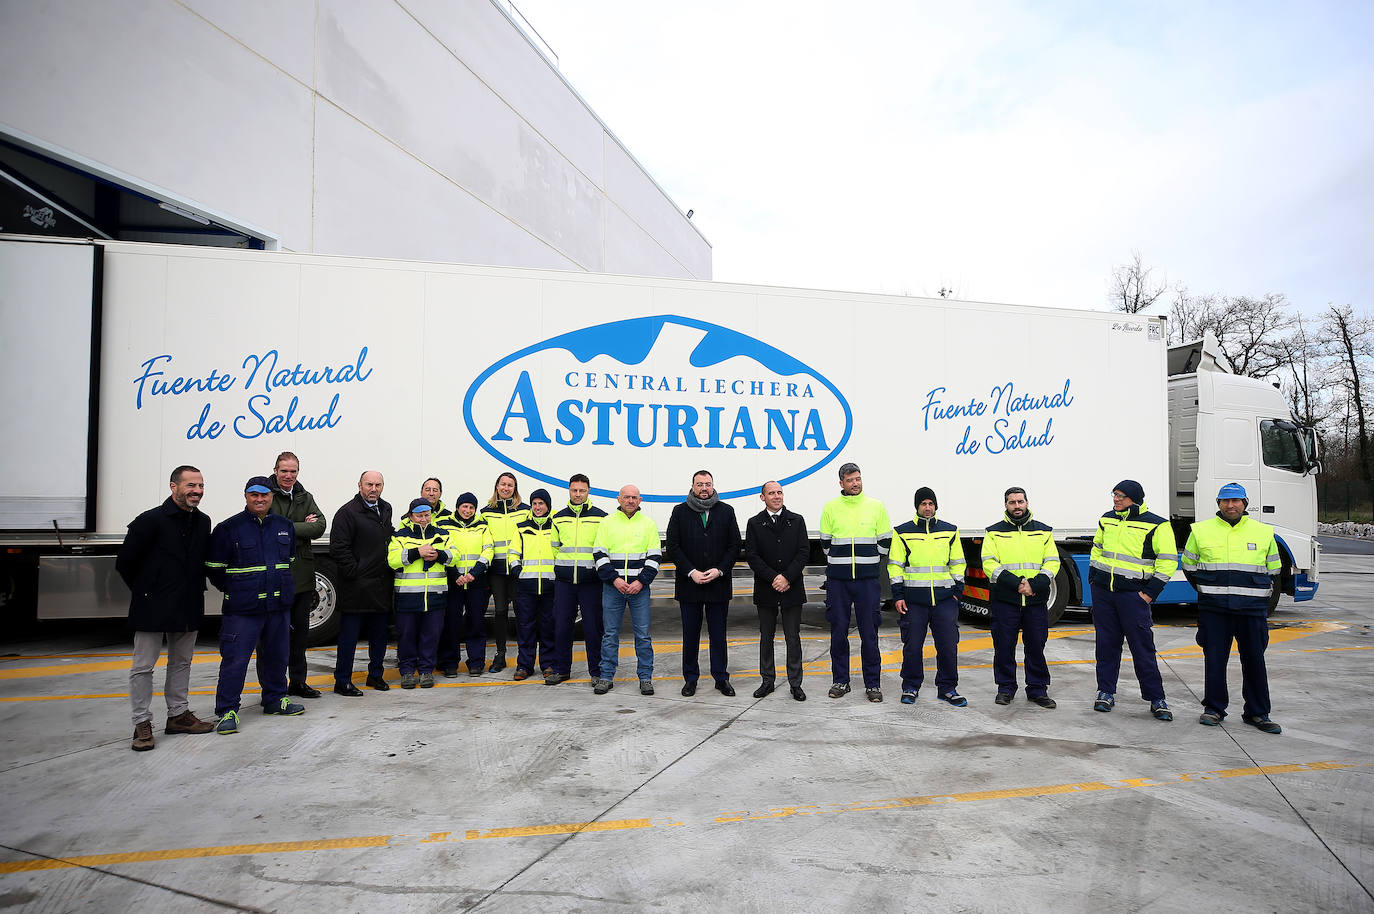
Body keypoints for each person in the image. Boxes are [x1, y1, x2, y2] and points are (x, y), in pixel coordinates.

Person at [116, 465, 215, 750]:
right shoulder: (149, 521)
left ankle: (178, 715)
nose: (197, 491)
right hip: (152, 605)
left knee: (181, 662)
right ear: (174, 487)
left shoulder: (203, 521)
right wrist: (147, 591)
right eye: (191, 485)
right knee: (143, 666)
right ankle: (142, 724)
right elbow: (125, 562)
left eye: (201, 486)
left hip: (187, 603)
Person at [1182, 483, 1283, 733]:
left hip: (1252, 611)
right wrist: (1211, 591)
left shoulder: (1263, 532)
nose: (1231, 505)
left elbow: (1274, 570)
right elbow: (1189, 567)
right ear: (1218, 503)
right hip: (1214, 610)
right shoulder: (1200, 531)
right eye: (1226, 501)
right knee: (1215, 661)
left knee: (1255, 661)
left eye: (1236, 501)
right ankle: (1214, 709)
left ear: (1245, 504)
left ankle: (1258, 713)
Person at [205, 476, 302, 734]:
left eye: (265, 495)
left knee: (277, 656)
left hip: (277, 607)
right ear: (246, 496)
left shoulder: (284, 526)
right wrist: (240, 589)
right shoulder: (228, 528)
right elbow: (215, 569)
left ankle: (275, 699)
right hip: (243, 609)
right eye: (254, 495)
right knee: (235, 661)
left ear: (272, 497)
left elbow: (289, 559)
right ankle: (227, 710)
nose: (259, 500)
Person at [1088, 479, 1177, 721]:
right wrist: (1094, 579)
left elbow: (1168, 561)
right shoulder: (1107, 519)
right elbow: (1097, 549)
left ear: (1134, 498)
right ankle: (1105, 692)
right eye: (1114, 494)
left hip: (1133, 596)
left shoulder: (1157, 525)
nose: (1116, 499)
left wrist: (1148, 594)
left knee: (1143, 648)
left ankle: (1156, 698)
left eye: (1121, 496)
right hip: (1104, 594)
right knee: (1106, 646)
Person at [818, 462, 892, 702]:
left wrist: (866, 563)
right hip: (838, 582)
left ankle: (873, 684)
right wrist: (842, 564)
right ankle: (841, 681)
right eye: (850, 480)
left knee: (869, 634)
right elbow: (825, 544)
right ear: (841, 483)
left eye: (858, 479)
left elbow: (884, 542)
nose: (855, 483)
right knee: (838, 633)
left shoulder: (876, 506)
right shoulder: (831, 508)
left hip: (867, 582)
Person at [982, 487, 1060, 709]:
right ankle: (1005, 688)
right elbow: (989, 563)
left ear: (1027, 502)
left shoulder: (1043, 531)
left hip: (1035, 600)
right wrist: (1016, 583)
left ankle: (1037, 689)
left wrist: (1034, 584)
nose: (1017, 506)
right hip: (1006, 600)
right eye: (1012, 502)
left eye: (1020, 501)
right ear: (1005, 505)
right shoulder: (993, 532)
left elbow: (1053, 561)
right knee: (1004, 646)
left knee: (1036, 646)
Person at [666, 470, 742, 697]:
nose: (704, 488)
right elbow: (673, 546)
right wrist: (691, 572)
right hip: (690, 584)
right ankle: (690, 679)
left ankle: (721, 678)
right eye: (700, 484)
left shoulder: (726, 511)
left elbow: (734, 545)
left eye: (707, 484)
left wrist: (719, 570)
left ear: (713, 485)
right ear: (692, 486)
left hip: (718, 584)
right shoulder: (680, 511)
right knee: (691, 635)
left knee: (718, 635)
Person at [889, 487, 967, 707]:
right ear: (917, 506)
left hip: (945, 601)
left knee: (948, 646)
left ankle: (948, 688)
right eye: (923, 503)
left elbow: (958, 563)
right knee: (912, 646)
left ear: (936, 505)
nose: (927, 507)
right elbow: (895, 566)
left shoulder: (950, 531)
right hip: (914, 602)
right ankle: (911, 687)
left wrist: (957, 593)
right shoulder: (902, 532)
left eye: (931, 503)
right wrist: (898, 595)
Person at [266, 451, 326, 700]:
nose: (289, 476)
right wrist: (300, 526)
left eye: (293, 471)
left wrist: (287, 527)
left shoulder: (304, 496)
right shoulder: (266, 494)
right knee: (274, 637)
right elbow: (267, 526)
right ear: (276, 471)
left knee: (299, 636)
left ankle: (298, 682)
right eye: (284, 471)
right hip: (276, 576)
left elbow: (320, 525)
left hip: (301, 577)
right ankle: (274, 687)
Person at [743, 480, 809, 701]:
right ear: (763, 497)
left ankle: (795, 683)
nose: (776, 496)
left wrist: (787, 577)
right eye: (771, 493)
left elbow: (803, 552)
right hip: (766, 588)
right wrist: (774, 578)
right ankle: (767, 680)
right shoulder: (754, 523)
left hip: (792, 588)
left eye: (779, 492)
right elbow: (752, 556)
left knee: (793, 637)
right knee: (766, 637)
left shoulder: (797, 521)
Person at [592, 484, 661, 696]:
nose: (630, 501)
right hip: (613, 588)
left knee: (643, 635)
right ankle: (606, 676)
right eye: (626, 497)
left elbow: (655, 557)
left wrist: (640, 581)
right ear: (619, 499)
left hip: (639, 589)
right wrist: (615, 580)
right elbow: (599, 554)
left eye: (634, 497)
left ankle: (645, 677)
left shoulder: (648, 524)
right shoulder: (607, 523)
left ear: (640, 500)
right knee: (610, 634)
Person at [330, 470, 394, 695]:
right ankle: (342, 681)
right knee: (349, 638)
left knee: (379, 636)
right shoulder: (347, 513)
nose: (373, 489)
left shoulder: (386, 509)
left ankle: (375, 676)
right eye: (369, 484)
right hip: (356, 587)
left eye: (377, 484)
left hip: (380, 586)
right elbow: (338, 548)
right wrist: (355, 572)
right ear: (359, 485)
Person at [388, 498, 453, 689]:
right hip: (408, 597)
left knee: (430, 635)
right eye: (419, 516)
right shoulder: (400, 536)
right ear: (411, 516)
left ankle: (426, 671)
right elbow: (392, 560)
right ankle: (407, 671)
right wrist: (417, 552)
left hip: (435, 596)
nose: (424, 519)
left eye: (427, 515)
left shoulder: (443, 534)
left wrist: (439, 555)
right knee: (406, 635)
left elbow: (454, 555)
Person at [549, 474, 607, 685]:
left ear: (588, 491)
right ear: (569, 490)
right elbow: (554, 548)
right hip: (564, 582)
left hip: (591, 581)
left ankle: (597, 671)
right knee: (562, 626)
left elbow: (603, 548)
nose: (578, 494)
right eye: (575, 490)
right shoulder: (558, 518)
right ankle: (561, 669)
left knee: (593, 628)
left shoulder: (601, 517)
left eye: (582, 491)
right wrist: (563, 569)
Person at [480, 472, 529, 672]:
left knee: (521, 613)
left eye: (510, 485)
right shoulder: (486, 512)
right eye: (503, 484)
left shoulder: (525, 511)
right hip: (497, 571)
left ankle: (523, 658)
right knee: (499, 612)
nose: (506, 488)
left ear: (515, 488)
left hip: (518, 571)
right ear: (497, 486)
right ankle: (500, 655)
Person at [443, 492, 493, 676]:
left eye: (471, 507)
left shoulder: (482, 526)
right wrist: (455, 574)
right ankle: (450, 663)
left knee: (476, 623)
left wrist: (474, 573)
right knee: (451, 624)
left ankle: (476, 663)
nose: (468, 510)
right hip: (453, 582)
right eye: (464, 506)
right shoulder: (444, 525)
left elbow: (488, 550)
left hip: (476, 583)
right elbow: (443, 550)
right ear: (457, 507)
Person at [420, 477, 465, 678]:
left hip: (447, 575)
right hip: (422, 579)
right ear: (421, 491)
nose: (431, 493)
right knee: (425, 624)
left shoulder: (449, 517)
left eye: (435, 489)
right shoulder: (410, 515)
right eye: (428, 489)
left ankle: (449, 662)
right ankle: (423, 662)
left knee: (450, 621)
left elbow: (453, 547)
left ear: (440, 493)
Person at [510, 488, 557, 680]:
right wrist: (517, 572)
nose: (538, 507)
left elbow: (560, 551)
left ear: (548, 506)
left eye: (541, 504)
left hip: (550, 585)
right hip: (526, 586)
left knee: (548, 626)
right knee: (525, 626)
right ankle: (524, 666)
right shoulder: (521, 526)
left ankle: (548, 664)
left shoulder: (555, 526)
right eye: (535, 504)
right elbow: (513, 553)